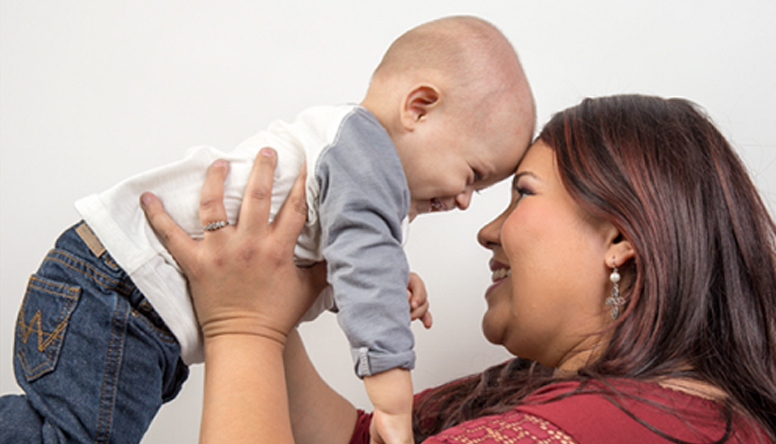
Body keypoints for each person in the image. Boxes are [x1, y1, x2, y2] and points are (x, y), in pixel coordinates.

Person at [140, 95, 776, 443]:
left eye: (521, 193)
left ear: (620, 237)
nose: (487, 229)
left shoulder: (600, 427)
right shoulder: (581, 401)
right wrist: (269, 293)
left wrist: (242, 328)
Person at [0, 16, 535, 444]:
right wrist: (392, 402)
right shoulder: (364, 157)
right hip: (118, 295)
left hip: (110, 292)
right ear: (419, 108)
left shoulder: (345, 157)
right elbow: (363, 264)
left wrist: (388, 281)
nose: (465, 202)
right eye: (473, 175)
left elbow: (331, 267)